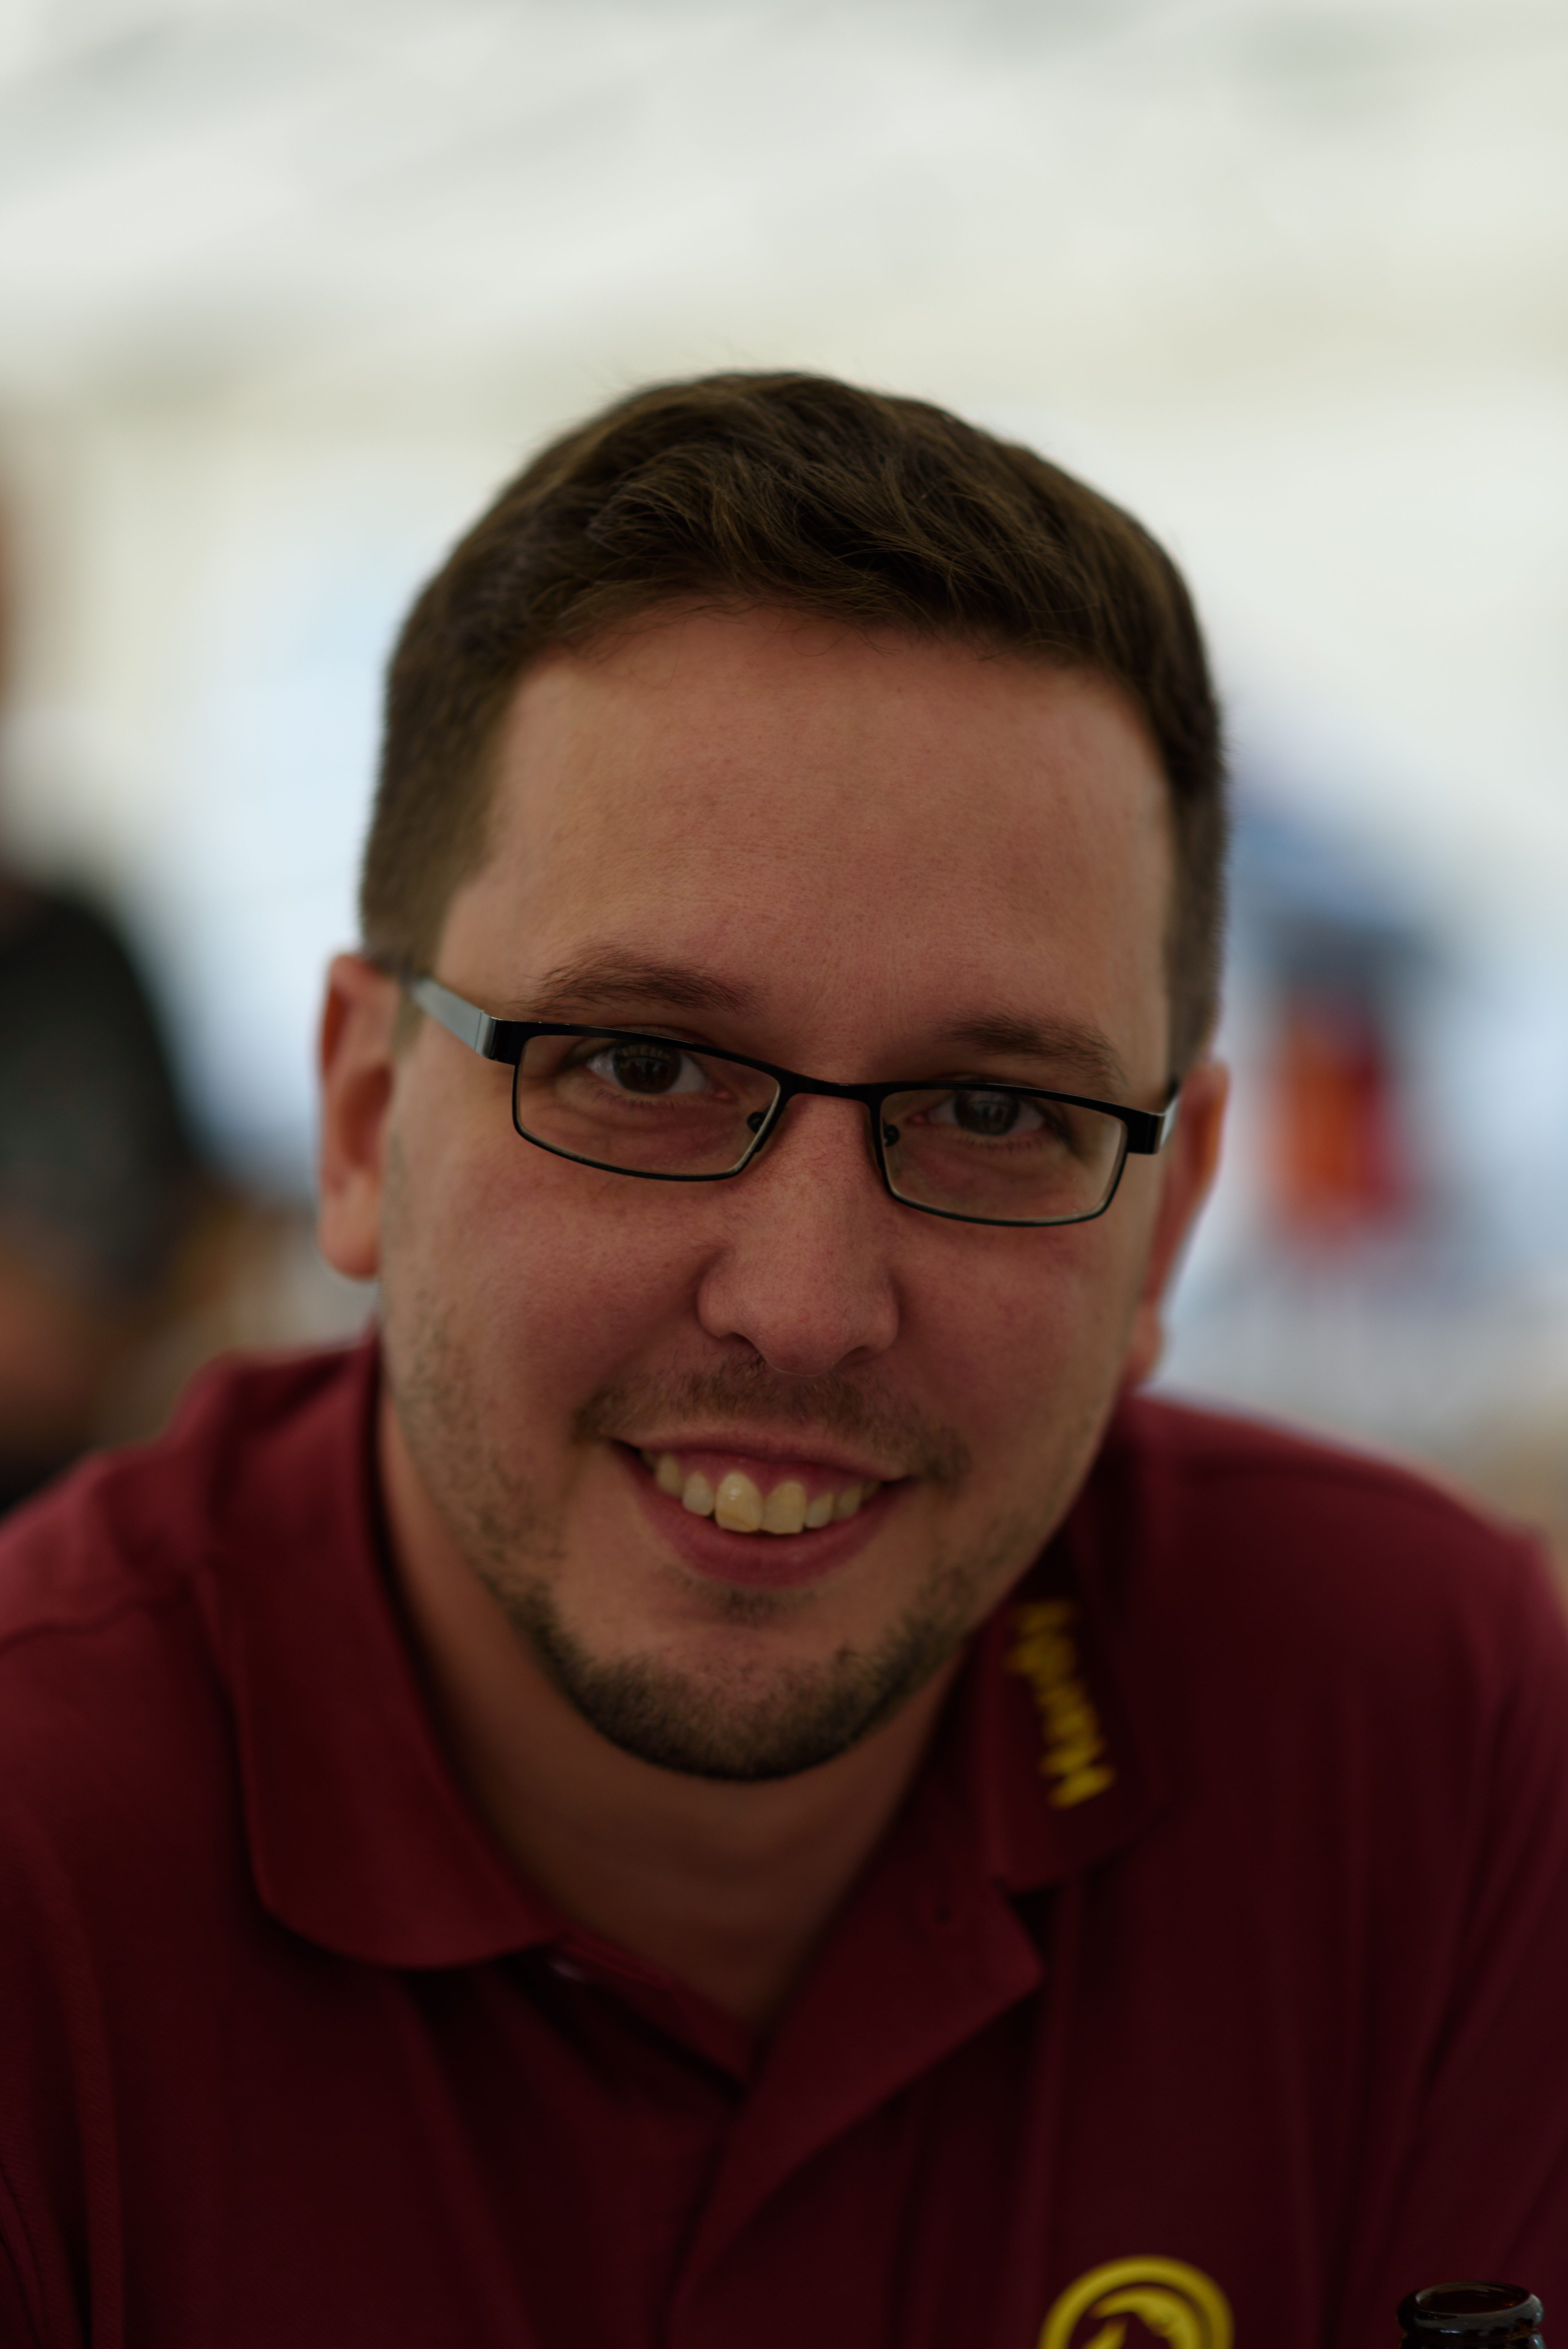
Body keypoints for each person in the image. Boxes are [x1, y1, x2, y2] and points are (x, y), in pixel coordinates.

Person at [2, 374, 1565, 2349]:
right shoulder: (40, 1862)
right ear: (362, 1124)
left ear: (1163, 1227)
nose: (805, 1302)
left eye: (994, 1113)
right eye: (639, 1068)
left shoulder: (1418, 1733)